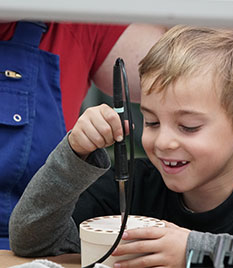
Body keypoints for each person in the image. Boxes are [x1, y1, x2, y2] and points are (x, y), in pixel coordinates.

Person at [9, 25, 233, 267]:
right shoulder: (131, 187)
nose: (162, 142)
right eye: (152, 122)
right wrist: (74, 156)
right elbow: (33, 243)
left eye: (188, 126)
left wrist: (192, 253)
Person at [0, 21, 166, 249]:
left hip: (36, 251)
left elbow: (190, 67)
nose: (167, 142)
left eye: (189, 126)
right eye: (153, 123)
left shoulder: (77, 22)